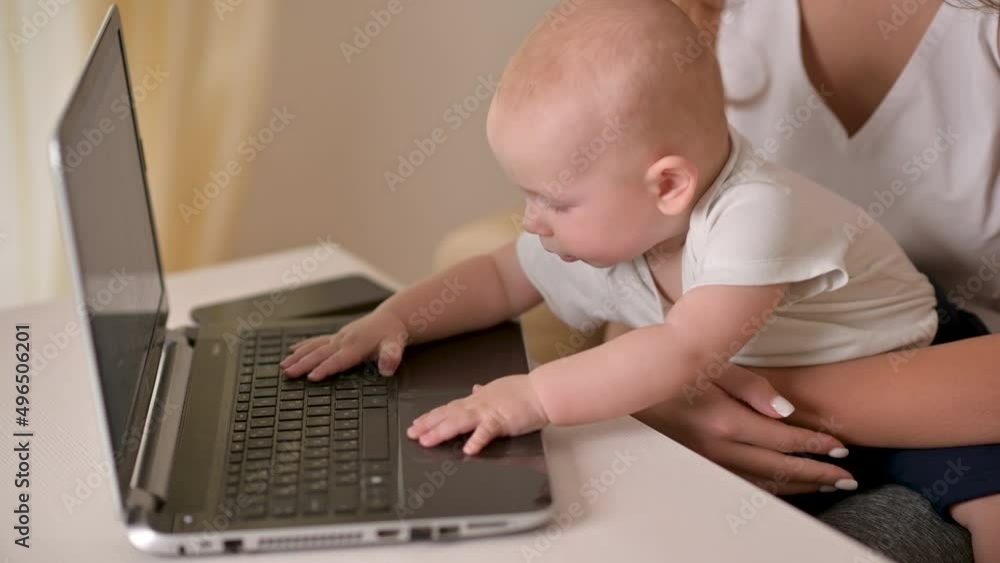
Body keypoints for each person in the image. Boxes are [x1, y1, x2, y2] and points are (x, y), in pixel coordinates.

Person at [281, 1, 1000, 559]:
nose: (532, 220)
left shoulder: (754, 214)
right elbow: (499, 276)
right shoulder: (625, 229)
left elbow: (687, 351)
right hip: (775, 405)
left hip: (922, 357)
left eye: (553, 201)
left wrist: (529, 397)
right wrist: (395, 318)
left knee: (986, 499)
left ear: (668, 186)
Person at [627, 0, 999, 561]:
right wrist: (659, 392)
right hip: (742, 417)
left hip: (963, 413)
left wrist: (687, 379)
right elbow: (630, 249)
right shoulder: (686, 17)